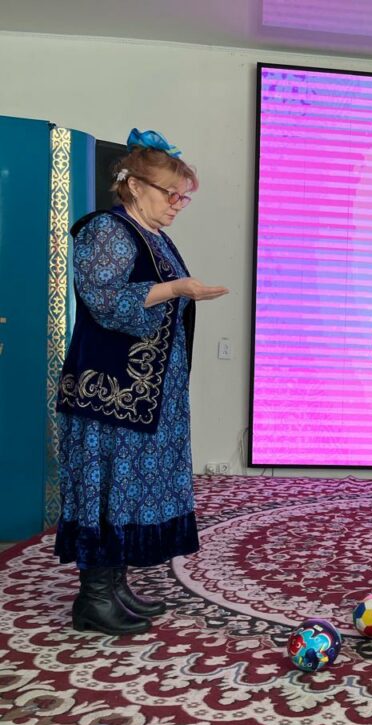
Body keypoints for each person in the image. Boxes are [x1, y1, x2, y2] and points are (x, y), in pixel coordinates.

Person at [55, 129, 228, 635]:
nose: (177, 205)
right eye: (170, 194)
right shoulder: (106, 230)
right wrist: (176, 288)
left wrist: (177, 290)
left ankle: (115, 587)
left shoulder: (151, 234)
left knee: (126, 493)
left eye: (183, 197)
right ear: (133, 185)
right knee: (108, 489)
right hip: (111, 395)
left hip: (145, 396)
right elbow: (104, 299)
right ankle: (94, 599)